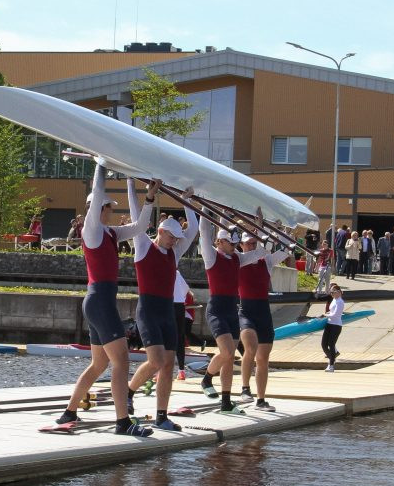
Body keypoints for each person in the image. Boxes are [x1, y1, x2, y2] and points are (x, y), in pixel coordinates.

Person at [56, 166, 157, 437]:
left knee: (99, 364)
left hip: (100, 301)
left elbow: (140, 227)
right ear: (98, 208)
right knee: (122, 361)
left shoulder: (111, 233)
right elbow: (98, 192)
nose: (111, 210)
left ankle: (69, 411)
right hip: (99, 301)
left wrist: (149, 199)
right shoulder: (92, 231)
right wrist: (100, 165)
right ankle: (123, 422)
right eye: (108, 207)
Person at [125, 184, 199, 430]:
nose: (175, 241)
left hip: (167, 311)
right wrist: (141, 191)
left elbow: (194, 229)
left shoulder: (173, 253)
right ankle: (128, 392)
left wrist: (188, 203)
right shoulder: (144, 246)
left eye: (177, 238)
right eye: (171, 237)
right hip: (148, 310)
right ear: (160, 231)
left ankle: (161, 416)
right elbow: (137, 217)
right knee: (156, 361)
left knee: (167, 365)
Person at [197, 216, 268, 414]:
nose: (235, 246)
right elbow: (203, 232)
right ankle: (207, 378)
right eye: (231, 242)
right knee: (227, 352)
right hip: (217, 309)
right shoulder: (211, 256)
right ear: (219, 242)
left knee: (228, 358)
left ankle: (226, 402)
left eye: (237, 243)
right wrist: (204, 209)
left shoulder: (238, 258)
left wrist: (258, 229)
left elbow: (260, 251)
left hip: (231, 309)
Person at [238, 231, 290, 412]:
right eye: (248, 243)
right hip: (246, 312)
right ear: (241, 246)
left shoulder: (266, 261)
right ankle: (245, 389)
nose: (251, 246)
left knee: (263, 359)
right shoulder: (238, 260)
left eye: (254, 243)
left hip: (263, 312)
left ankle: (261, 400)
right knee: (250, 349)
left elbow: (285, 251)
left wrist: (285, 231)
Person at [321, 283, 345, 371]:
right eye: (331, 292)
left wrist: (325, 315)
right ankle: (332, 358)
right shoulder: (334, 300)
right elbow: (331, 311)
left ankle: (331, 365)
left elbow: (336, 314)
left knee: (331, 344)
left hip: (336, 325)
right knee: (323, 344)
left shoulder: (340, 302)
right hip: (329, 324)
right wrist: (326, 314)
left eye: (333, 292)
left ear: (339, 292)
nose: (331, 294)